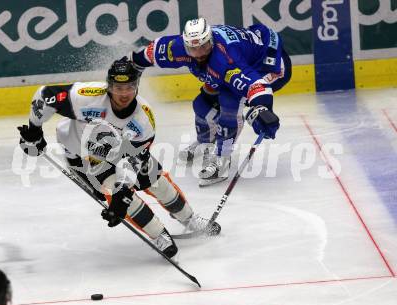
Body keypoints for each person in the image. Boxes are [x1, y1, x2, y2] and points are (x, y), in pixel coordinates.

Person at [17, 57, 221, 259]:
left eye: (129, 87)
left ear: (136, 86)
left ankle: (190, 219)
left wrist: (123, 190)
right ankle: (159, 234)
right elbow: (44, 96)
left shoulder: (143, 120)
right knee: (122, 198)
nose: (124, 94)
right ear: (109, 86)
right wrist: (34, 130)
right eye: (118, 87)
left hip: (124, 155)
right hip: (84, 156)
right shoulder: (86, 97)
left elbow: (132, 162)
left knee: (156, 183)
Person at [130, 18, 291, 186]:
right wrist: (132, 65)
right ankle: (206, 141)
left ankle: (222, 160)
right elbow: (148, 53)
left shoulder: (226, 61)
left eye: (204, 47)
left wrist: (262, 109)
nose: (199, 54)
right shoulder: (176, 47)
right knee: (202, 105)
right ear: (185, 46)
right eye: (193, 49)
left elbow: (257, 86)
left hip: (268, 67)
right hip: (242, 59)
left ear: (211, 41)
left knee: (229, 105)